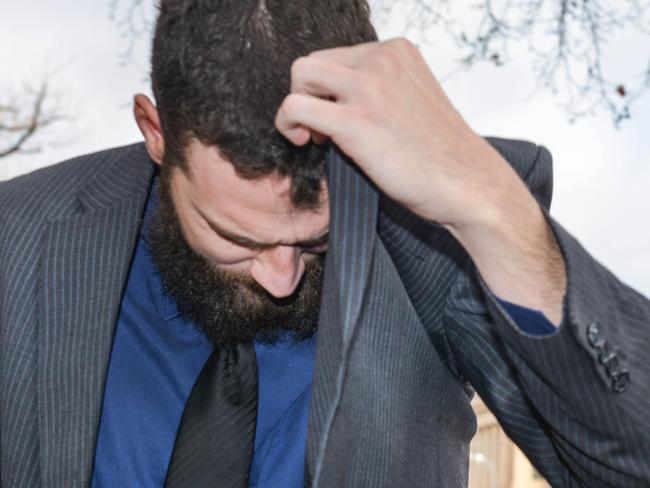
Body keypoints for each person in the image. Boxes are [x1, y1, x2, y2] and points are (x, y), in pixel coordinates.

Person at [0, 1, 648, 487]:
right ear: (156, 130)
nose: (281, 277)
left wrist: (492, 206)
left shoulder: (431, 247)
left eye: (317, 242)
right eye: (236, 234)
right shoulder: (17, 236)